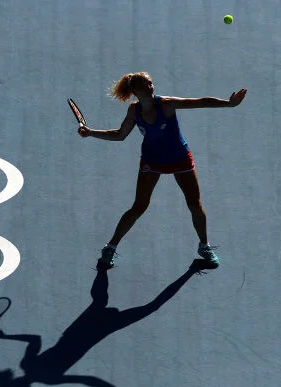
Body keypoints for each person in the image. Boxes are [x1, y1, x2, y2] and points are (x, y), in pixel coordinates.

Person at [78, 72, 247, 270]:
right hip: (152, 160)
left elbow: (198, 102)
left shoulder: (166, 104)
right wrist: (90, 133)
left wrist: (228, 103)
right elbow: (119, 135)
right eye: (145, 85)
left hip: (179, 158)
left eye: (150, 83)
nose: (150, 87)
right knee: (139, 206)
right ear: (135, 91)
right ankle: (110, 247)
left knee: (194, 203)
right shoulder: (134, 111)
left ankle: (204, 246)